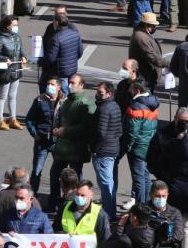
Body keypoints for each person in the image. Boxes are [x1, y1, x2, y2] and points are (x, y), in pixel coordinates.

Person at [50, 74, 95, 208]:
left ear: (81, 85)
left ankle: (76, 202)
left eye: (73, 83)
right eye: (69, 82)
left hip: (76, 148)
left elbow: (86, 127)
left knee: (76, 179)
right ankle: (54, 201)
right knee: (54, 174)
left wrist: (65, 131)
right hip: (62, 147)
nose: (70, 85)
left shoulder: (86, 103)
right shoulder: (68, 100)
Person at [123, 81, 160, 204]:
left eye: (131, 90)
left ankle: (140, 206)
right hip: (148, 146)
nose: (129, 92)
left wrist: (127, 147)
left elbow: (131, 132)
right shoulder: (152, 104)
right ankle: (148, 203)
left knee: (138, 178)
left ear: (137, 91)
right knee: (145, 176)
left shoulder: (135, 107)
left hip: (137, 148)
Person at [147, 107, 188, 214]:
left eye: (187, 121)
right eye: (182, 121)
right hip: (169, 184)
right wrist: (163, 176)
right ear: (175, 118)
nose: (184, 124)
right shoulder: (162, 134)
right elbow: (151, 158)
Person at [26, 76, 62, 194]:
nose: (49, 86)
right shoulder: (39, 100)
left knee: (57, 173)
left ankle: (55, 199)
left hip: (58, 143)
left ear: (58, 87)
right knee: (36, 171)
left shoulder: (64, 101)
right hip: (42, 141)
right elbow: (29, 119)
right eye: (48, 84)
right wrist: (34, 134)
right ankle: (32, 196)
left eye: (52, 84)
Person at [91, 81, 122, 219]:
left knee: (105, 183)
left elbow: (101, 133)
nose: (97, 94)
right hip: (112, 149)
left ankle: (109, 214)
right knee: (109, 182)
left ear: (109, 94)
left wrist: (94, 149)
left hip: (103, 151)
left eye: (100, 92)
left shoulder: (104, 109)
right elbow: (119, 131)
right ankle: (109, 210)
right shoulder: (115, 106)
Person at [0, 15, 26, 131]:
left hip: (16, 70)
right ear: (7, 26)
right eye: (14, 25)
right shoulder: (0, 39)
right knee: (3, 96)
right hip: (5, 72)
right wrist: (4, 59)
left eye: (17, 25)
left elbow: (21, 51)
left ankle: (12, 119)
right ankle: (0, 120)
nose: (16, 27)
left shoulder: (17, 37)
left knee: (13, 96)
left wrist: (23, 57)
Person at [54, 180, 111, 246]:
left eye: (82, 195)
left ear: (91, 195)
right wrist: (63, 235)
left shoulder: (100, 215)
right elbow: (55, 229)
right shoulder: (65, 207)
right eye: (77, 194)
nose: (79, 197)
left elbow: (105, 242)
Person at [43, 13, 83, 96]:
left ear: (57, 23)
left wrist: (40, 62)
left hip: (60, 71)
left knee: (63, 95)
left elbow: (50, 58)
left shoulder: (56, 38)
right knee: (72, 91)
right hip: (72, 69)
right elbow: (80, 52)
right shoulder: (75, 34)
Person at [129, 12, 165, 88]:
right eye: (153, 25)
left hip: (145, 75)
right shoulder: (141, 38)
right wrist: (168, 64)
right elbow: (152, 57)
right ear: (147, 25)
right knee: (145, 97)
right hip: (144, 77)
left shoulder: (142, 34)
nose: (155, 27)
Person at [147, 180, 185, 248]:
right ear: (150, 195)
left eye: (163, 196)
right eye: (157, 196)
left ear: (167, 195)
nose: (161, 199)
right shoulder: (144, 210)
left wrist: (165, 236)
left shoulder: (174, 212)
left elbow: (179, 234)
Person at [170, 38, 188, 107]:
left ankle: (182, 117)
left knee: (183, 104)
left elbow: (173, 66)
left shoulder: (181, 47)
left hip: (184, 80)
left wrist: (181, 74)